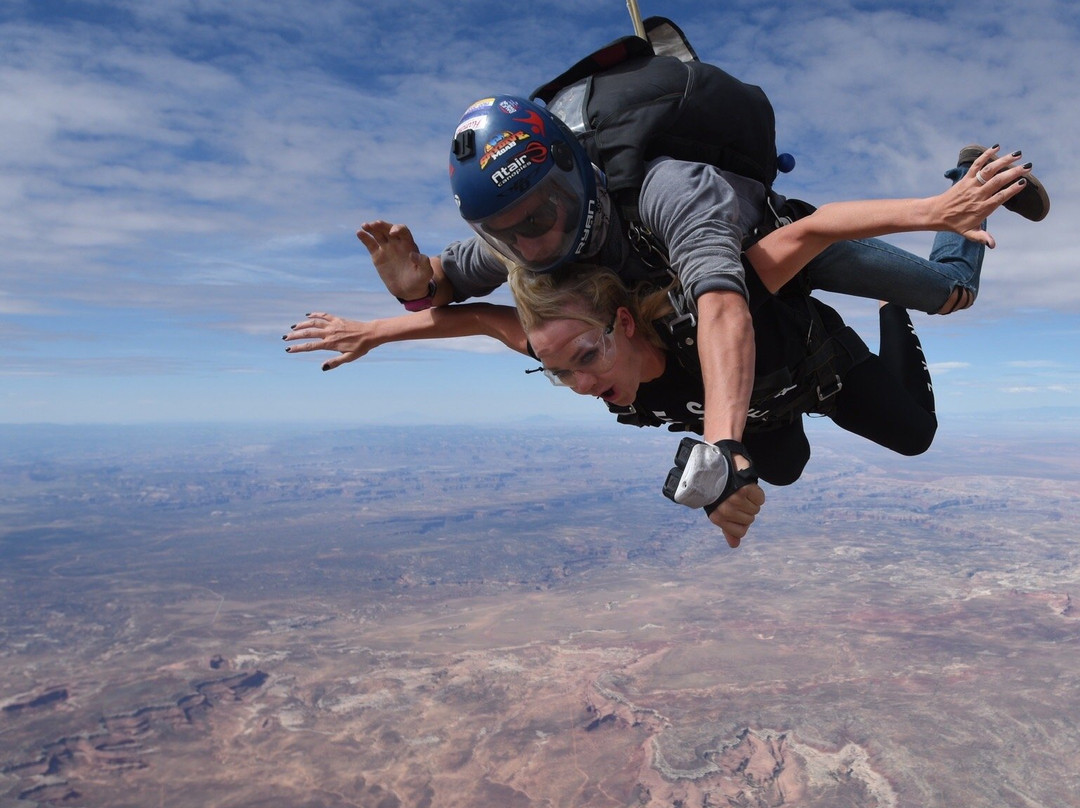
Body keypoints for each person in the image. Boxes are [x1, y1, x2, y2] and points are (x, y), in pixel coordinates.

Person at [356, 94, 1049, 543]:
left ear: (573, 175)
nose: (532, 242)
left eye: (538, 217)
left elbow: (726, 304)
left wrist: (935, 210)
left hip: (777, 253)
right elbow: (465, 306)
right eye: (507, 235)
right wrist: (404, 302)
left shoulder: (668, 193)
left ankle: (972, 179)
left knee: (950, 291)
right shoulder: (530, 264)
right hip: (744, 340)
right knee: (787, 465)